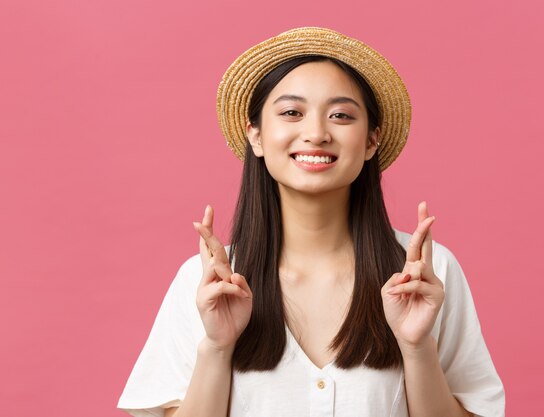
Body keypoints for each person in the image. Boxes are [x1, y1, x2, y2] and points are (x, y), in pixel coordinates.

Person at [117, 27, 505, 417]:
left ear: (371, 141)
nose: (317, 134)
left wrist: (418, 350)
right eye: (291, 113)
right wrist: (218, 349)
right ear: (255, 136)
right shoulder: (206, 284)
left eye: (340, 115)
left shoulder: (427, 274)